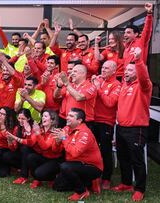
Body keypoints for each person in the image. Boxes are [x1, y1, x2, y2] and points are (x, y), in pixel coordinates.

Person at [113, 47, 152, 201]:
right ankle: (126, 183)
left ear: (138, 72)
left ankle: (140, 189)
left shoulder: (144, 86)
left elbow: (144, 77)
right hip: (121, 128)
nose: (126, 72)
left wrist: (138, 60)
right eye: (126, 70)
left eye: (130, 70)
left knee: (137, 160)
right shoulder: (124, 85)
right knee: (123, 158)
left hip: (137, 129)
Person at [52, 108, 103, 201]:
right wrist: (57, 141)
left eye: (71, 116)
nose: (67, 118)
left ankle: (82, 191)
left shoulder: (85, 132)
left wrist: (63, 138)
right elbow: (55, 150)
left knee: (65, 167)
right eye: (67, 115)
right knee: (57, 186)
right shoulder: (66, 128)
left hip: (91, 166)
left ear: (79, 120)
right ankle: (89, 183)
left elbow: (75, 153)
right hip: (75, 165)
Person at [8, 109, 63, 188]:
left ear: (52, 120)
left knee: (39, 173)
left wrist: (37, 133)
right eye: (43, 116)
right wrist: (17, 137)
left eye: (45, 116)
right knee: (31, 157)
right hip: (44, 157)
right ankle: (36, 179)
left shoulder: (57, 132)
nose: (43, 118)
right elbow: (30, 142)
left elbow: (45, 147)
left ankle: (52, 177)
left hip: (54, 161)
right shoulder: (40, 129)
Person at [91, 60, 121, 189]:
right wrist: (93, 84)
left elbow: (110, 103)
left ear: (114, 71)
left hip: (106, 122)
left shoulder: (116, 85)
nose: (103, 70)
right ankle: (93, 176)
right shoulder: (99, 80)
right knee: (92, 149)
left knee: (105, 150)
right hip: (93, 119)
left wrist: (98, 88)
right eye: (102, 68)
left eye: (106, 68)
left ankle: (107, 178)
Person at [54, 64, 97, 129]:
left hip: (84, 122)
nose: (72, 74)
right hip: (69, 120)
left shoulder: (90, 86)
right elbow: (56, 96)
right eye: (72, 71)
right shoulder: (71, 85)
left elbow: (79, 97)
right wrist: (59, 86)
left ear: (83, 73)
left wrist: (67, 84)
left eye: (75, 71)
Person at [123, 3, 153, 68]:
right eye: (124, 33)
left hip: (138, 75)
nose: (125, 35)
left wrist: (149, 14)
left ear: (136, 34)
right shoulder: (125, 46)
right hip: (126, 76)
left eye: (128, 32)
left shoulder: (141, 42)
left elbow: (147, 30)